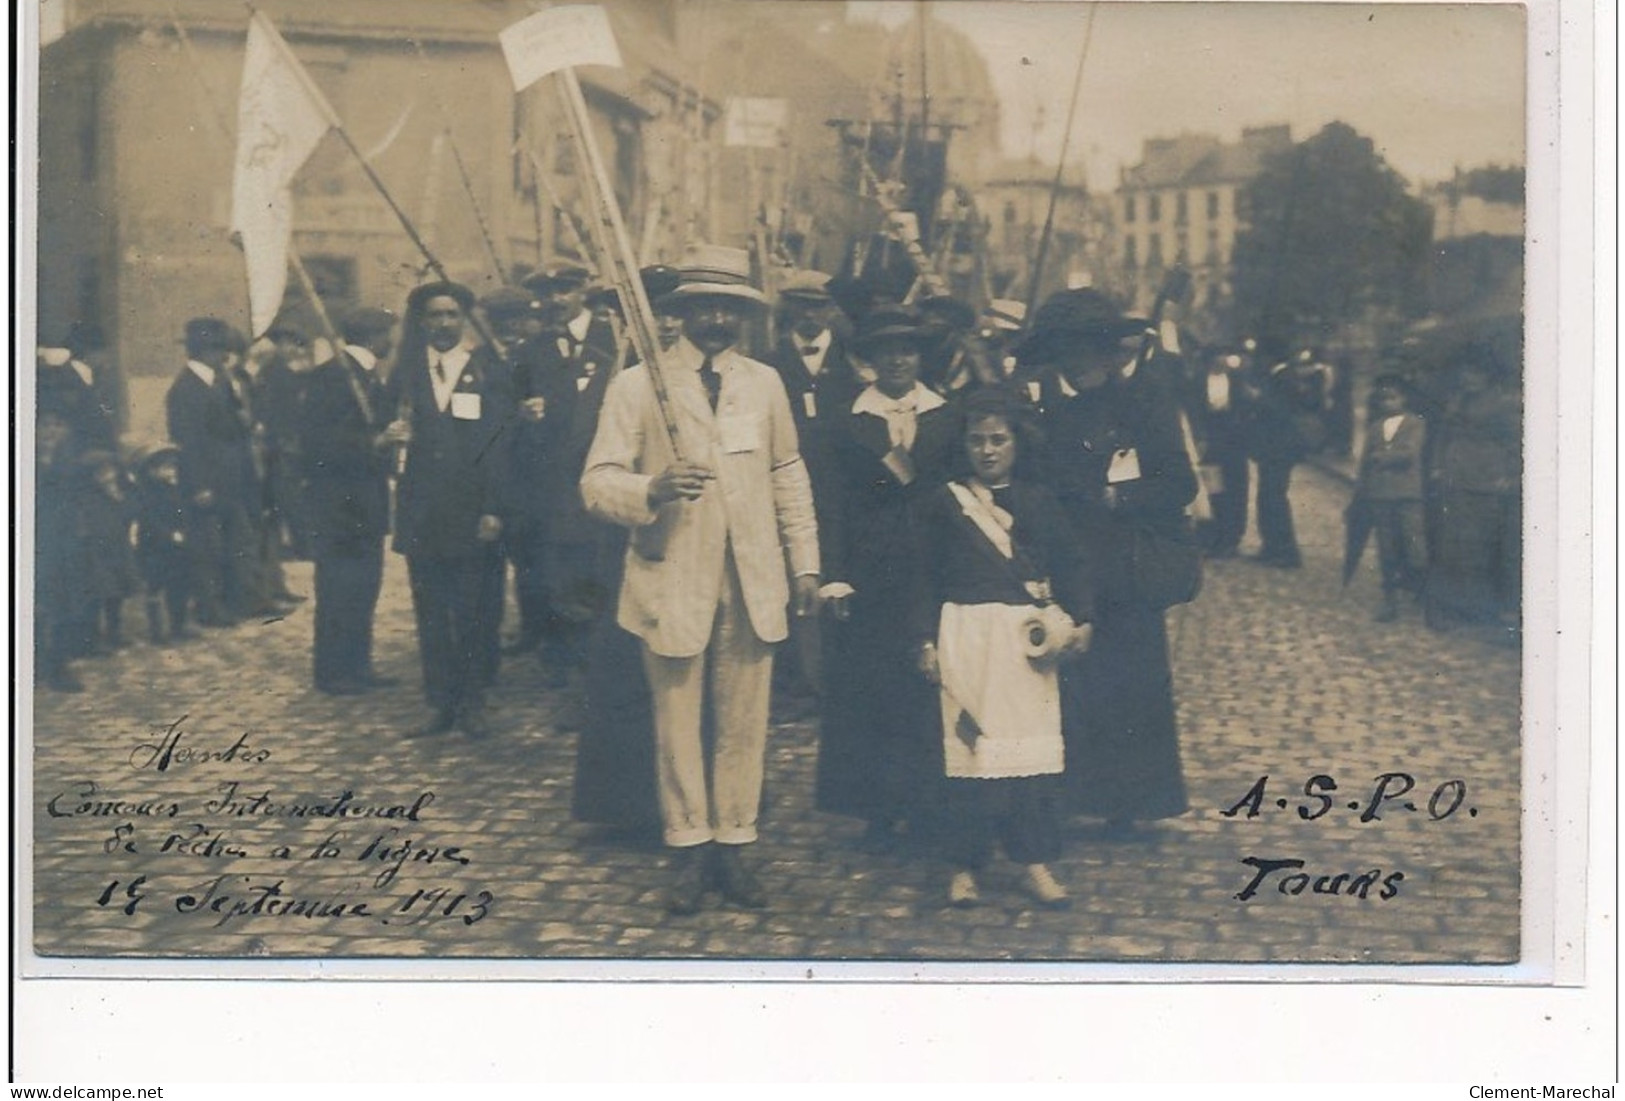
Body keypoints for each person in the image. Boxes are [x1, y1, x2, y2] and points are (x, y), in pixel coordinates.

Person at [580, 244, 821, 914]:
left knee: (745, 721)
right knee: (677, 718)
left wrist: (803, 562)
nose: (716, 319)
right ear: (682, 312)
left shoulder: (763, 383)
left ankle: (735, 845)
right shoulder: (638, 384)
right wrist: (650, 488)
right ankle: (687, 847)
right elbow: (596, 482)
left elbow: (786, 474)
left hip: (750, 578)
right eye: (704, 307)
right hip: (673, 573)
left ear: (743, 315)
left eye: (729, 308)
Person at [1021, 288, 1197, 833]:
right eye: (1070, 346)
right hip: (1067, 567)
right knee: (1066, 680)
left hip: (1125, 569)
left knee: (1131, 684)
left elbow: (1181, 484)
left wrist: (1122, 497)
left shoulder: (1143, 403)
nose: (1084, 357)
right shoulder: (1041, 410)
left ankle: (1131, 802)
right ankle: (1066, 797)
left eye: (1093, 345)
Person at [909, 388, 1092, 907]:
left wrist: (1083, 621)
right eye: (976, 441)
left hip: (1024, 641)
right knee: (968, 751)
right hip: (964, 636)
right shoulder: (945, 504)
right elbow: (922, 576)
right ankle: (963, 866)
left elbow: (1073, 562)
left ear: (1017, 443)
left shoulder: (1038, 501)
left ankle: (1035, 862)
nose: (987, 451)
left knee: (1029, 758)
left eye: (998, 440)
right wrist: (923, 638)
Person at [816, 305, 960, 846]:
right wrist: (833, 574)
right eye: (886, 350)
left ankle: (929, 805)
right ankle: (878, 808)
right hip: (868, 569)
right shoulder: (845, 418)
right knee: (871, 688)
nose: (898, 360)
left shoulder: (948, 414)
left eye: (908, 348)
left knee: (929, 684)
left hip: (936, 562)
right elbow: (828, 502)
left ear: (921, 356)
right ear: (869, 359)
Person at [387, 282, 515, 739]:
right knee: (431, 613)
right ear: (422, 321)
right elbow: (384, 436)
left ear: (464, 319)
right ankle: (440, 703)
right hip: (422, 515)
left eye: (451, 314)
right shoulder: (404, 373)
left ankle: (473, 701)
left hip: (473, 514)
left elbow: (500, 447)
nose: (443, 323)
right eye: (434, 315)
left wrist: (494, 509)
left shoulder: (487, 370)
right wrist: (390, 440)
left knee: (474, 611)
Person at [764, 269, 862, 720]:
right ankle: (792, 682)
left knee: (837, 582)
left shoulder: (853, 364)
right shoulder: (766, 365)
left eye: (816, 304)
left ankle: (834, 681)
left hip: (841, 494)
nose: (808, 313)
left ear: (830, 310)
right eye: (799, 304)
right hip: (783, 492)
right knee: (787, 585)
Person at [301, 306, 400, 696]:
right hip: (338, 504)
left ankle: (358, 665)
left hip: (365, 501)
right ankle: (332, 671)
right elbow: (317, 445)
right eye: (388, 332)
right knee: (339, 588)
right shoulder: (334, 377)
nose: (393, 340)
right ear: (375, 335)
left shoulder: (366, 376)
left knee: (363, 586)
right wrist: (373, 443)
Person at [1425, 337, 1521, 637]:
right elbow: (1444, 436)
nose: (1468, 377)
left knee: (1483, 550)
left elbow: (1519, 442)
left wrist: (1512, 476)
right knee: (1454, 549)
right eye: (1465, 372)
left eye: (1476, 372)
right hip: (1455, 481)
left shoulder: (1506, 402)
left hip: (1487, 483)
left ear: (1489, 374)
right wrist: (1438, 465)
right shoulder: (1457, 400)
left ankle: (1482, 612)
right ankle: (1456, 609)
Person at [165, 318, 258, 627]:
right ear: (206, 352)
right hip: (206, 481)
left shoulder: (219, 383)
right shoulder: (184, 390)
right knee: (206, 547)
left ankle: (235, 601)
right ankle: (209, 607)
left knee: (234, 541)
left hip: (230, 476)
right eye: (221, 351)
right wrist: (199, 485)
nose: (225, 358)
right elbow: (188, 443)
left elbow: (233, 427)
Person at [1351, 375, 1427, 622]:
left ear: (1404, 398)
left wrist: (1381, 457)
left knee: (1415, 545)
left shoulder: (1415, 423)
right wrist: (1361, 492)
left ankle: (1426, 599)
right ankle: (1390, 602)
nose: (1389, 402)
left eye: (1394, 397)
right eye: (1384, 398)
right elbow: (1364, 461)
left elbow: (1408, 453)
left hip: (1406, 493)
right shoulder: (1375, 428)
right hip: (1380, 494)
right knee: (1386, 548)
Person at [35, 403, 86, 691]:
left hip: (61, 541)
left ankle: (58, 665)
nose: (51, 432)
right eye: (46, 425)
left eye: (58, 425)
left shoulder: (68, 463)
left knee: (62, 602)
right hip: (32, 539)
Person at [1187, 350, 1253, 557]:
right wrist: (1199, 437)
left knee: (1236, 489)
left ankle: (1231, 538)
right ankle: (1210, 538)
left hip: (1234, 442)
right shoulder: (1197, 381)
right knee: (1213, 489)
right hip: (1210, 440)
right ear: (1210, 360)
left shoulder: (1238, 381)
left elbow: (1248, 407)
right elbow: (1192, 411)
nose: (1223, 360)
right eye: (1219, 356)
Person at [75, 449, 139, 654]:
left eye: (110, 471)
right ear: (91, 476)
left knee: (116, 595)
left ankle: (114, 633)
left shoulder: (118, 493)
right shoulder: (85, 498)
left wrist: (118, 496)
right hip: (96, 553)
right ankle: (91, 639)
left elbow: (130, 514)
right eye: (101, 473)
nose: (108, 476)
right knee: (97, 596)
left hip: (118, 550)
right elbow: (84, 525)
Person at [133, 443, 196, 646]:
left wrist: (184, 531)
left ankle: (178, 625)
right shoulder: (145, 494)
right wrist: (169, 535)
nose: (171, 471)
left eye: (173, 467)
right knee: (155, 588)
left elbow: (183, 513)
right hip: (154, 548)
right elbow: (149, 520)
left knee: (179, 585)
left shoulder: (173, 490)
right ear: (151, 470)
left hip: (176, 546)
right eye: (165, 467)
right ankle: (157, 632)